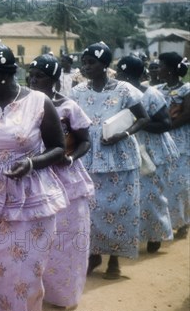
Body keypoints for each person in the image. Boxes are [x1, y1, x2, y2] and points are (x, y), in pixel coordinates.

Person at [0, 42, 68, 311]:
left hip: (29, 203)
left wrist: (32, 163)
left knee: (23, 272)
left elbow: (59, 149)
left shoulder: (38, 102)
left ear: (3, 75)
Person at [70, 42, 149, 280]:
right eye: (84, 62)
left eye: (91, 62)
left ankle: (114, 259)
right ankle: (93, 255)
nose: (86, 67)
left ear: (104, 65)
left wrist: (122, 135)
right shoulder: (78, 92)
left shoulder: (124, 90)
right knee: (91, 209)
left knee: (118, 208)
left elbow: (143, 118)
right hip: (88, 157)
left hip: (119, 157)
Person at [28, 54, 94, 309]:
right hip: (35, 176)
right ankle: (34, 293)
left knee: (67, 238)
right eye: (31, 75)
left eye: (40, 76)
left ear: (54, 79)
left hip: (65, 177)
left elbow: (85, 140)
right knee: (38, 237)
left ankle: (64, 294)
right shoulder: (23, 104)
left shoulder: (67, 107)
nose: (33, 80)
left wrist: (70, 158)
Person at [115, 55, 178, 253]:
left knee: (154, 196)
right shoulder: (119, 93)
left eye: (125, 76)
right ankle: (140, 233)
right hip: (133, 150)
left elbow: (165, 124)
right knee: (136, 196)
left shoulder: (151, 95)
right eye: (119, 74)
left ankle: (156, 235)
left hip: (154, 151)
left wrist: (138, 123)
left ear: (136, 75)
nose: (121, 79)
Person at [155, 52, 190, 239]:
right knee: (163, 184)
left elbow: (186, 114)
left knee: (180, 184)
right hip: (162, 141)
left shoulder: (186, 89)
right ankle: (166, 223)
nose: (158, 69)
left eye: (161, 66)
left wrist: (166, 126)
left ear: (170, 69)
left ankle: (183, 221)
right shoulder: (158, 89)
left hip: (181, 141)